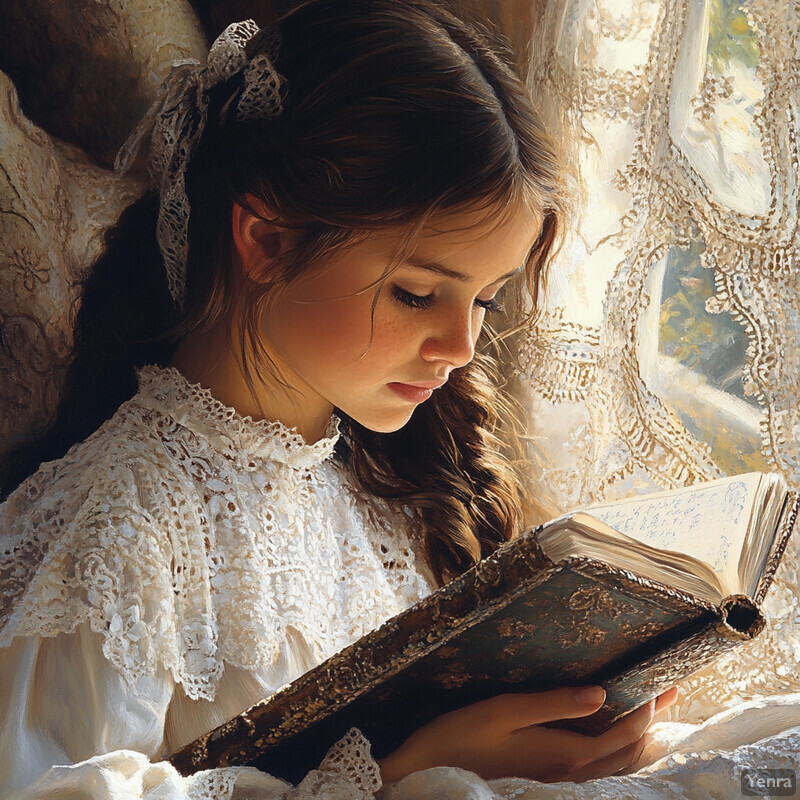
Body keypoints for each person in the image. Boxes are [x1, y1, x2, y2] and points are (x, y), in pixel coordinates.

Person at [0, 2, 677, 798]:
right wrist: (399, 780)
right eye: (419, 293)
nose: (462, 349)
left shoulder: (391, 485)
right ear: (268, 241)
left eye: (486, 301)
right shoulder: (127, 526)